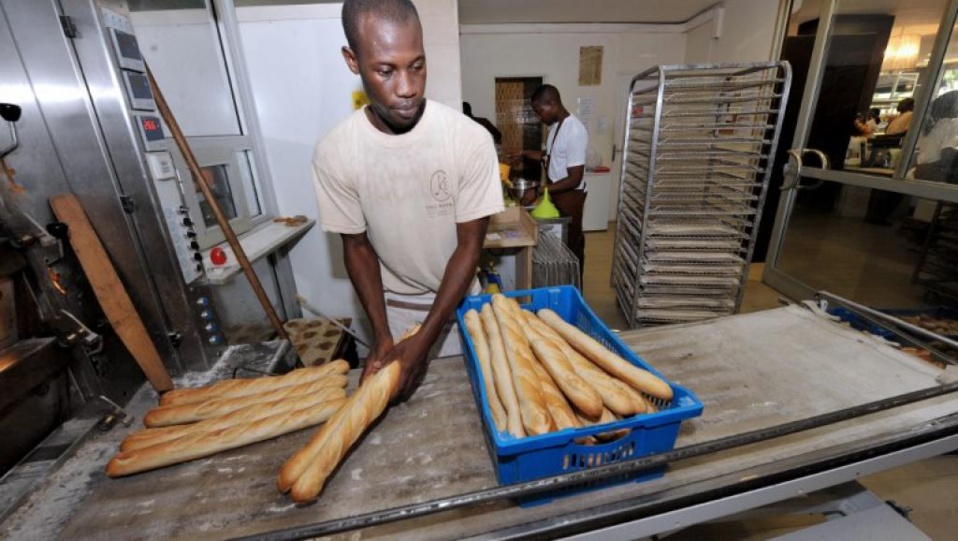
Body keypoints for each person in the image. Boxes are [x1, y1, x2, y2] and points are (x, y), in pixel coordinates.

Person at [312, 0, 504, 400]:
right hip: (392, 312)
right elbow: (357, 247)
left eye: (417, 65)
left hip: (459, 311)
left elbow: (469, 246)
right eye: (386, 70)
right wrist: (382, 335)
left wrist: (425, 344)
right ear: (353, 60)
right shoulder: (337, 152)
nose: (407, 87)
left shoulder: (468, 140)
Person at [512, 85, 589, 278]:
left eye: (541, 112)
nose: (540, 117)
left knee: (572, 249)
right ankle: (559, 282)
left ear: (552, 104)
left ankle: (574, 290)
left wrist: (538, 190)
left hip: (570, 197)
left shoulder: (575, 131)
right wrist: (523, 154)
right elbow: (549, 156)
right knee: (559, 247)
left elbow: (574, 178)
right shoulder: (556, 127)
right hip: (556, 194)